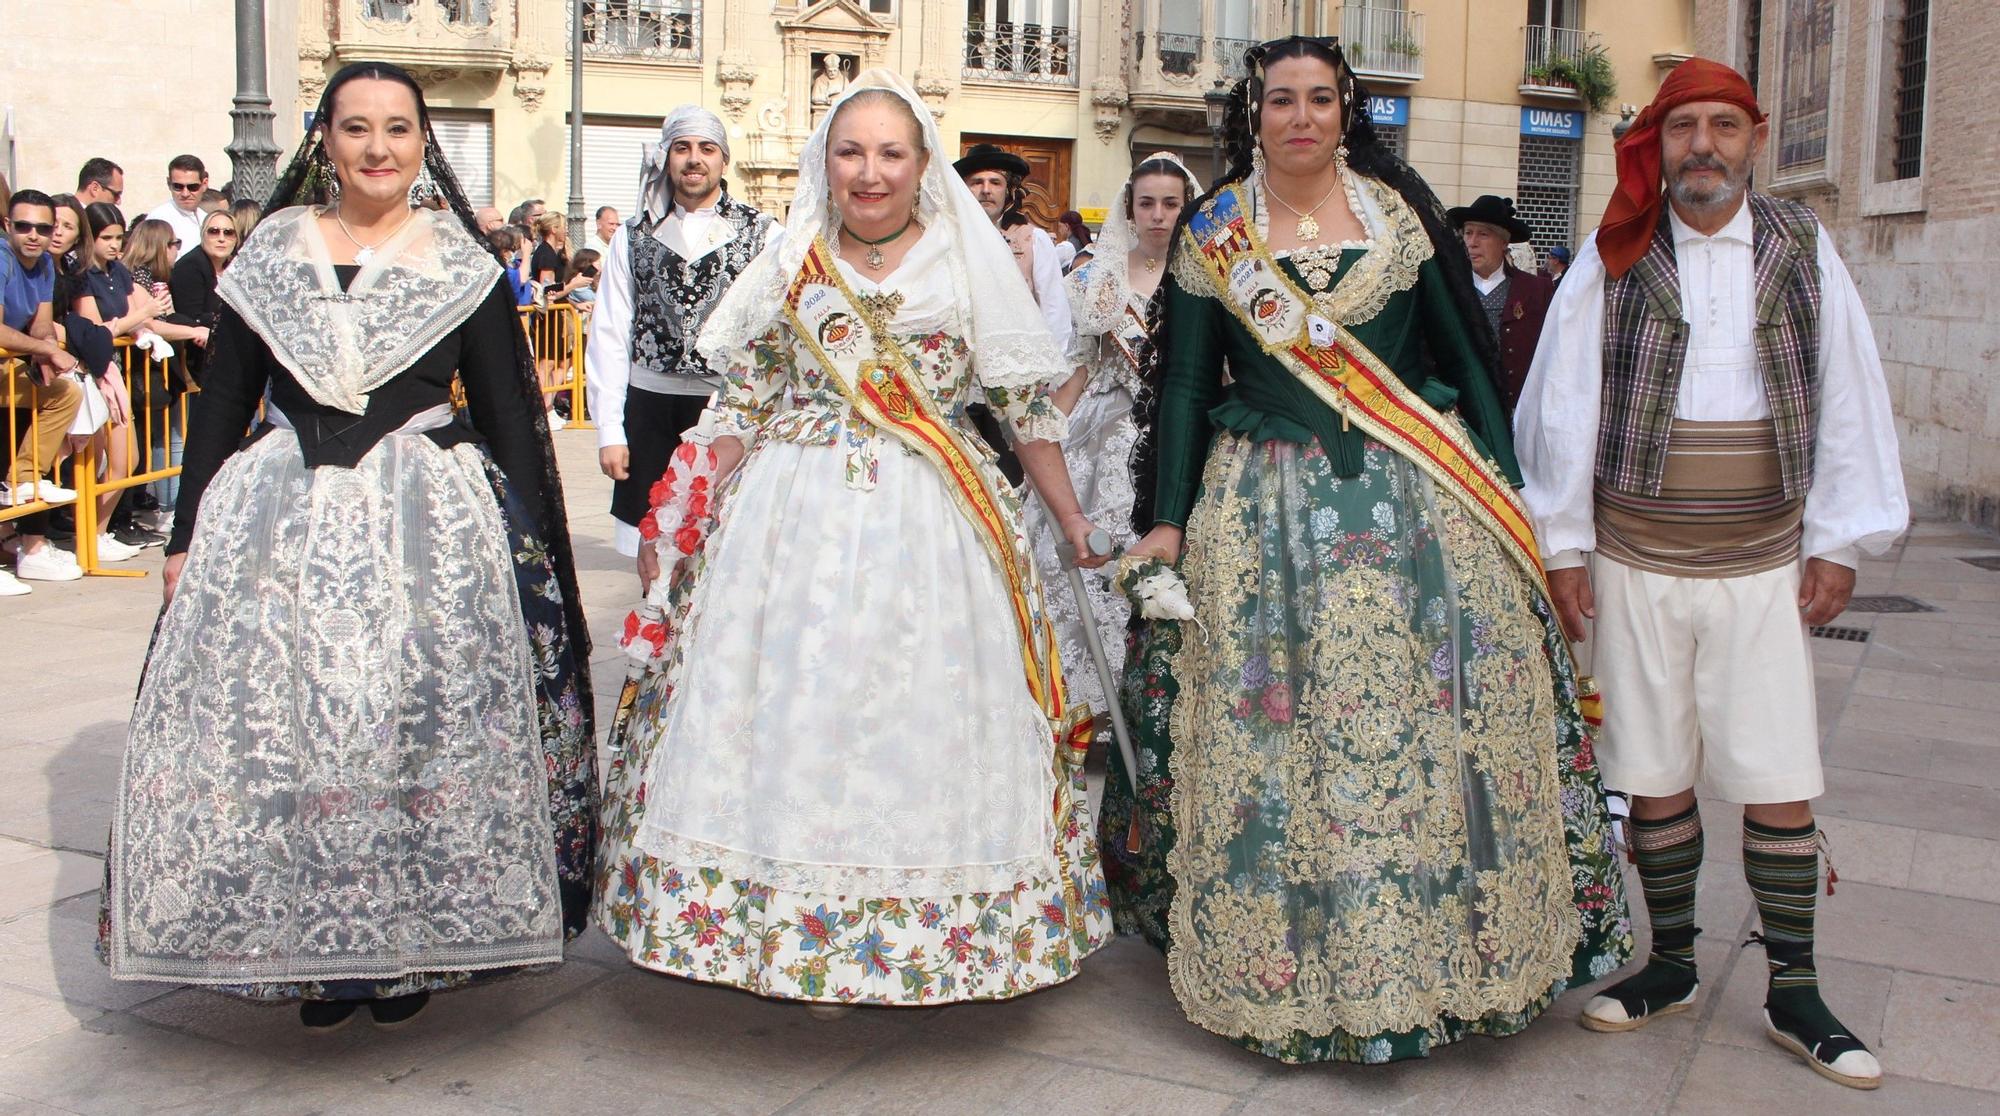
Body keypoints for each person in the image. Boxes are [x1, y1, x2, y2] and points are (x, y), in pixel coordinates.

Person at [1111, 37, 1630, 1064]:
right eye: (1277, 101)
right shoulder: (1216, 233)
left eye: (1318, 99)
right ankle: (1290, 970)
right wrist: (1165, 514)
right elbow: (1181, 384)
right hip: (1264, 514)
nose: (1298, 117)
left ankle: (1447, 966)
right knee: (1281, 734)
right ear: (1249, 116)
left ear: (1346, 113)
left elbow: (1460, 358)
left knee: (1430, 731)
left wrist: (1508, 495)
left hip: (1417, 509)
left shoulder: (1400, 219)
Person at [595, 69, 1112, 1006]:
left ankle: (927, 928)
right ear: (823, 162)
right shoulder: (791, 261)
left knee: (917, 709)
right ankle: (778, 925)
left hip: (937, 524)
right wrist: (678, 515)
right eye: (850, 152)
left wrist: (1071, 516)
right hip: (789, 524)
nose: (869, 173)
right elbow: (739, 404)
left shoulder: (965, 264)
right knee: (788, 704)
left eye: (890, 153)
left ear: (922, 167)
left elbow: (1026, 409)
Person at [102, 60, 597, 1033]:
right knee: (290, 744)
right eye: (356, 127)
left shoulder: (457, 263)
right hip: (279, 520)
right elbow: (224, 403)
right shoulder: (272, 257)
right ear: (323, 141)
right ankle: (309, 959)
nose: (377, 146)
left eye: (397, 129)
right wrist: (188, 533)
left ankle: (405, 950)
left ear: (423, 145)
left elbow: (506, 413)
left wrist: (533, 559)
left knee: (413, 738)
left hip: (434, 529)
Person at [1515, 58, 1907, 1091]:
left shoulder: (1802, 247)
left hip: (1762, 566)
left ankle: (1794, 989)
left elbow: (1848, 395)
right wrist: (1560, 546)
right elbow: (1561, 404)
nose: (1702, 145)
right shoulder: (1614, 255)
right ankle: (1673, 966)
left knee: (1776, 778)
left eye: (1721, 126)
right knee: (1651, 773)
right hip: (1633, 561)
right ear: (1660, 140)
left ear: (1754, 137)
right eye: (1682, 125)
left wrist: (1837, 539)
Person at [1024, 154, 1198, 722]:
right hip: (1105, 433)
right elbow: (1078, 365)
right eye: (1146, 203)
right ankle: (1090, 705)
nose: (1158, 215)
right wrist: (1044, 434)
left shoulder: (1205, 276)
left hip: (1181, 429)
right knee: (1092, 562)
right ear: (1130, 209)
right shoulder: (1100, 278)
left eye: (1170, 204)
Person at [585, 105, 776, 565]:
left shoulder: (765, 234)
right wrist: (610, 429)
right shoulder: (633, 235)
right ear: (665, 157)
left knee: (724, 546)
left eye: (706, 149)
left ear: (723, 160)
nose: (694, 159)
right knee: (650, 552)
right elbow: (610, 331)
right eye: (683, 148)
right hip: (650, 408)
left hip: (728, 412)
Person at [0, 189, 86, 592]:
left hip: (7, 368)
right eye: (23, 226)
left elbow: (40, 325)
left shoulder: (44, 266)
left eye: (42, 227)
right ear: (7, 227)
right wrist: (47, 349)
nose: (33, 235)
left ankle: (24, 477)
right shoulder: (1, 259)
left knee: (64, 393)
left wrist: (46, 351)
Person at [72, 204, 162, 558]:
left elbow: (150, 312)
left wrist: (148, 315)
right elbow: (96, 331)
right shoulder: (82, 276)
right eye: (105, 237)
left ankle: (99, 531)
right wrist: (139, 316)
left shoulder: (118, 272)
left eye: (118, 237)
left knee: (127, 460)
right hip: (91, 371)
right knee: (91, 463)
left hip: (113, 371)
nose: (114, 245)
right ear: (89, 237)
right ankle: (89, 536)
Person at [1448, 194, 1554, 415]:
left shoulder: (1536, 291)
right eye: (1468, 233)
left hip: (1518, 413)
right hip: (1461, 414)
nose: (1472, 242)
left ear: (1503, 242)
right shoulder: (1449, 288)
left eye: (1483, 234)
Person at [955, 143, 1069, 343]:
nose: (986, 190)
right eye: (977, 182)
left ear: (1008, 190)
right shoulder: (948, 237)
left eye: (995, 182)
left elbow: (1054, 308)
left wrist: (1054, 364)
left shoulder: (1033, 240)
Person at [144, 155, 208, 260]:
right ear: (169, 184)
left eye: (192, 187)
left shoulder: (206, 217)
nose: (185, 193)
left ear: (204, 184)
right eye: (178, 187)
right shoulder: (159, 218)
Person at [1055, 208, 1092, 272]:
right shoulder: (1083, 242)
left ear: (1067, 226)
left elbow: (1048, 264)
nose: (1059, 230)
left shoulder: (1066, 246)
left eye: (1060, 226)